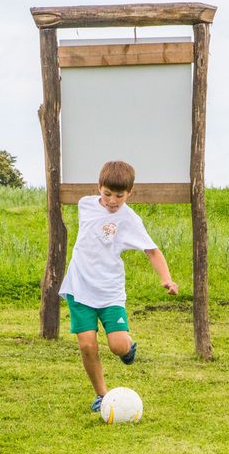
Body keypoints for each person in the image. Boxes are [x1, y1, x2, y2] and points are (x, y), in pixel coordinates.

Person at [58, 160, 178, 412]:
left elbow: (152, 250)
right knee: (87, 345)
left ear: (129, 193)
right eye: (107, 194)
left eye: (119, 196)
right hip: (79, 287)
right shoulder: (85, 204)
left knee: (118, 346)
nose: (112, 201)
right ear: (99, 187)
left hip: (109, 292)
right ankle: (101, 395)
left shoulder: (129, 219)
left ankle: (127, 348)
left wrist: (166, 278)